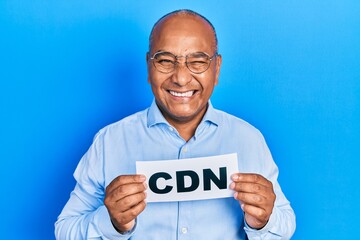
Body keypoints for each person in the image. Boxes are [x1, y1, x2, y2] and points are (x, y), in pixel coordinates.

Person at [55, 9, 296, 239]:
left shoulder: (248, 140)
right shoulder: (109, 141)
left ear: (217, 68)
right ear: (149, 66)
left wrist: (263, 221)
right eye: (166, 61)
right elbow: (64, 229)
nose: (181, 78)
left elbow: (285, 225)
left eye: (198, 62)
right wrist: (111, 223)